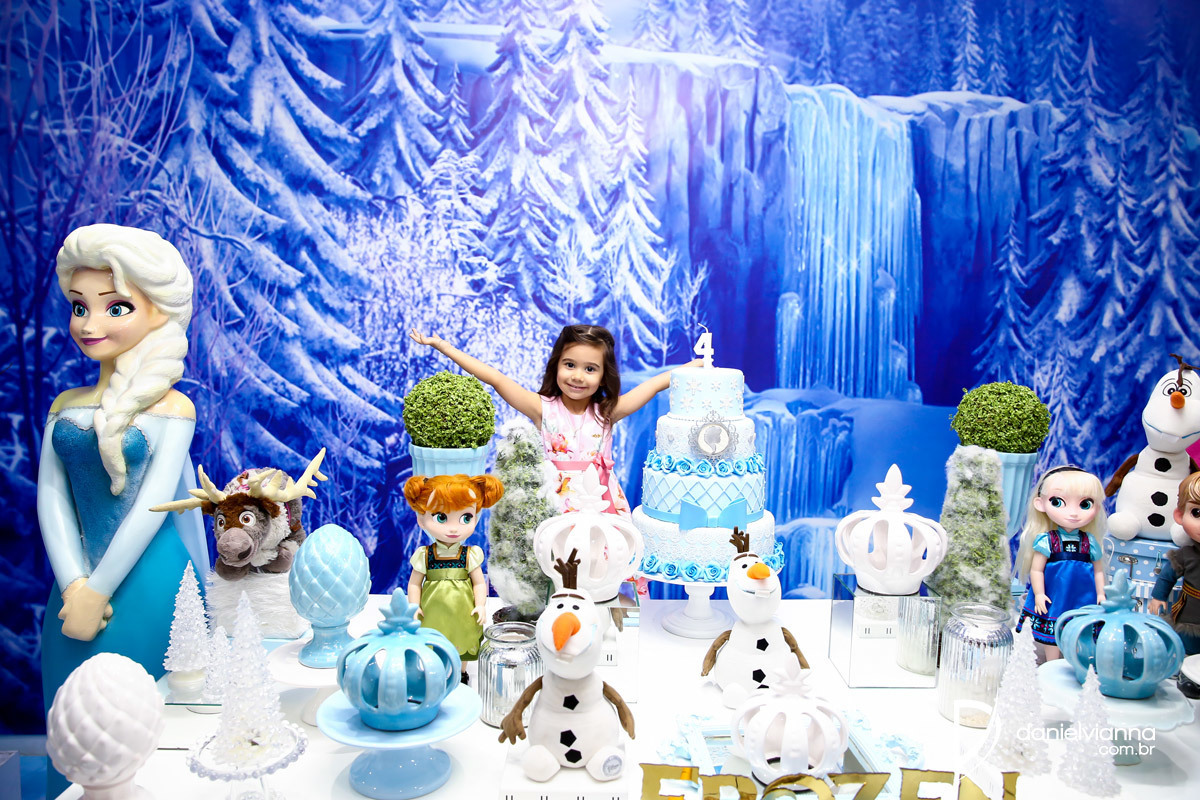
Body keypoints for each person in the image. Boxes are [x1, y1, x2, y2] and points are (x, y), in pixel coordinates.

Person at [39, 224, 208, 795]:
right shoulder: (64, 406)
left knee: (149, 729)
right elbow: (51, 500)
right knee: (74, 731)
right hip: (70, 595)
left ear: (159, 312)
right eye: (78, 306)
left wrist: (98, 590)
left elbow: (155, 506)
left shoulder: (173, 409)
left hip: (149, 586)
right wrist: (74, 585)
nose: (90, 324)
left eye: (115, 307)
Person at [410, 325, 695, 515]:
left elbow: (654, 384)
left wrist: (695, 367)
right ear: (556, 365)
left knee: (599, 568)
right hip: (554, 502)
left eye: (590, 369)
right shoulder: (542, 408)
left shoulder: (607, 412)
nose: (577, 376)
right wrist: (443, 347)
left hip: (600, 501)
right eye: (569, 365)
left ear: (603, 376)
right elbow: (496, 378)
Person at [405, 473, 504, 680]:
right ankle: (437, 673)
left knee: (462, 638)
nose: (453, 528)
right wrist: (414, 606)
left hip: (463, 610)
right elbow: (414, 584)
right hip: (433, 611)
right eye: (441, 517)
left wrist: (481, 605)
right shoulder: (425, 555)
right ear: (421, 519)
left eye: (465, 518)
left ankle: (461, 673)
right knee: (434, 640)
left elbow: (479, 583)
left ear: (476, 517)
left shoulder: (470, 555)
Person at [1015, 466, 1108, 660]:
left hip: (1082, 595)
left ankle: (1074, 662)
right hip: (1056, 594)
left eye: (1085, 504)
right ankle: (1052, 663)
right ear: (1040, 504)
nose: (1073, 513)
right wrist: (1039, 594)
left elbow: (1098, 570)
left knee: (1080, 632)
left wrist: (1101, 593)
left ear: (1097, 508)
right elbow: (1037, 570)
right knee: (1052, 632)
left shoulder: (1089, 542)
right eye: (1058, 502)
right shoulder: (1047, 540)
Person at [1149, 472, 1200, 657]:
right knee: (1186, 648)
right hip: (1189, 617)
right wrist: (1158, 597)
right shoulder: (1186, 555)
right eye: (1197, 513)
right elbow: (1166, 576)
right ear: (1179, 515)